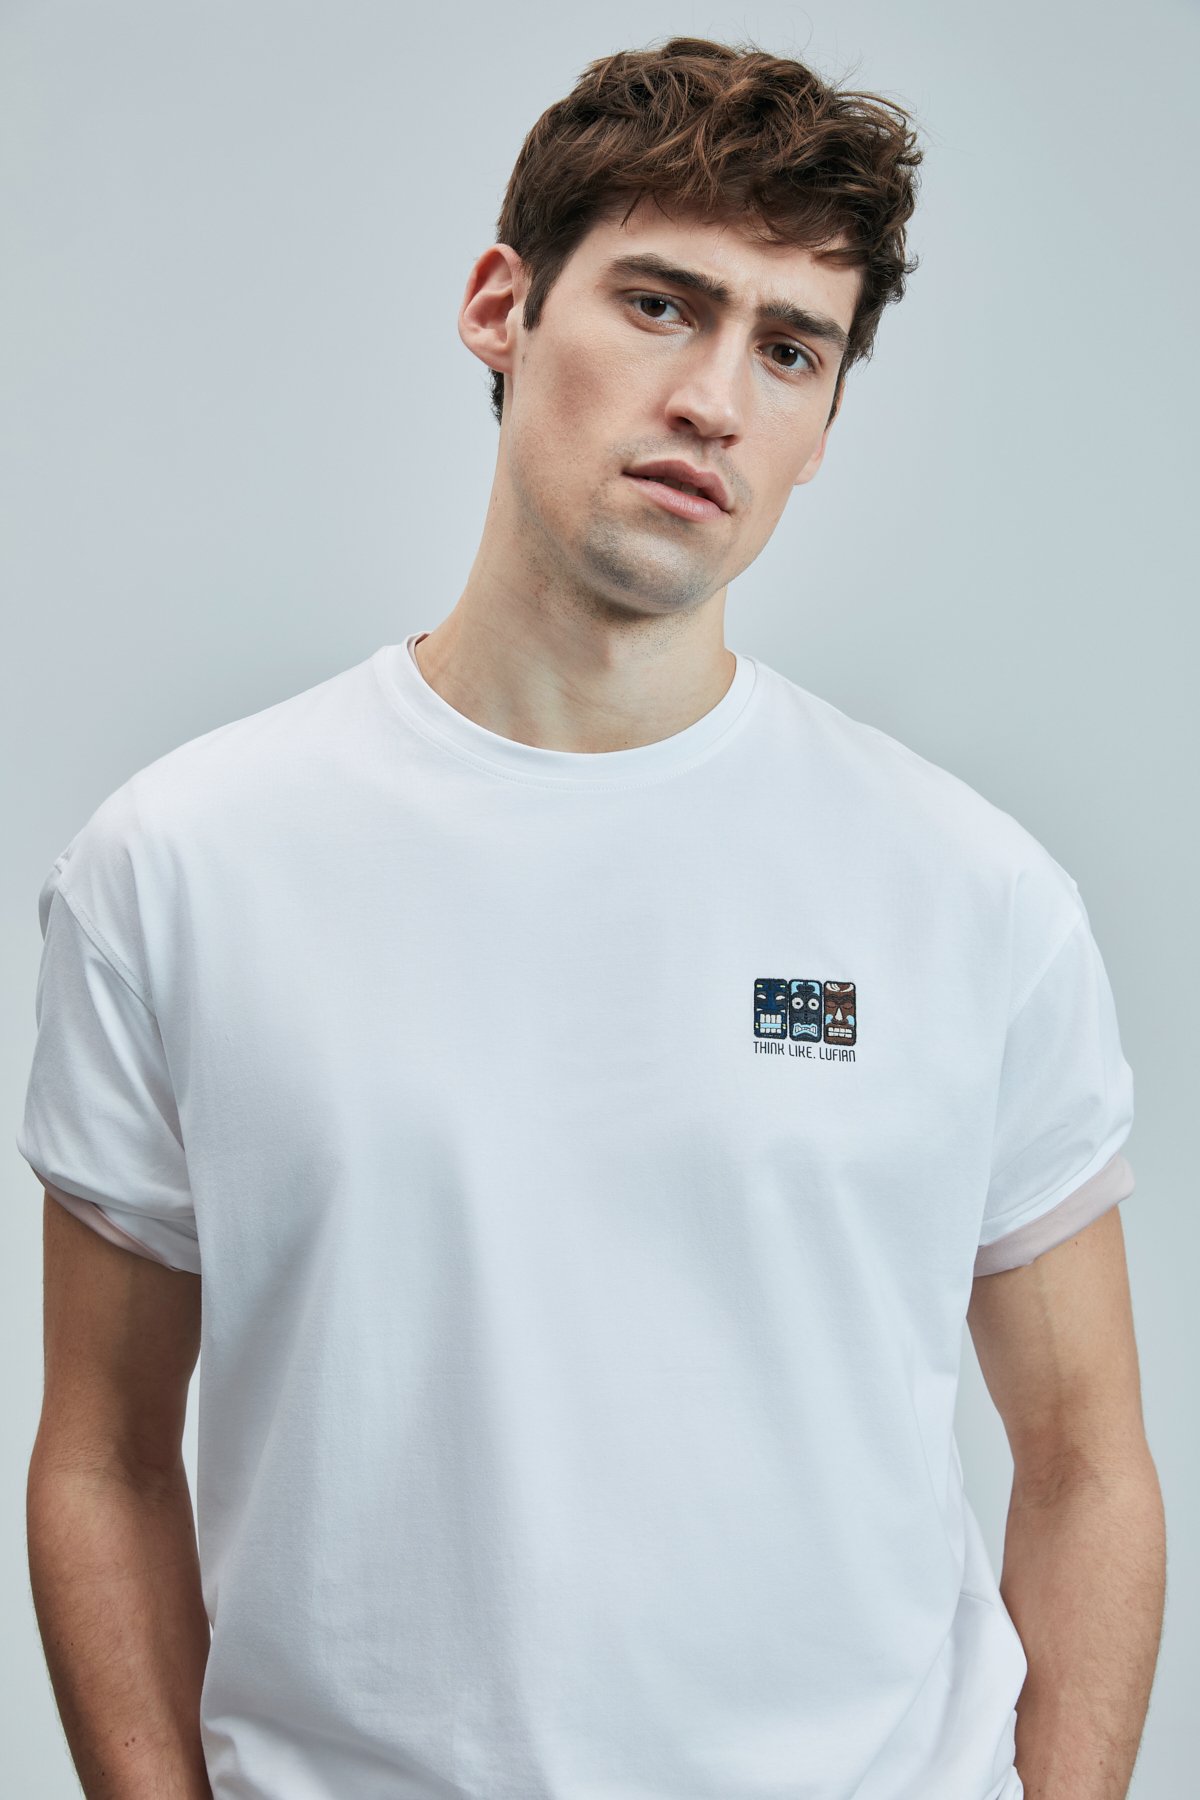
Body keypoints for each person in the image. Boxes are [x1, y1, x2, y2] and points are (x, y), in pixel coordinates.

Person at [17, 34, 1165, 1800]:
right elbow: (100, 1455)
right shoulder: (181, 868)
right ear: (503, 307)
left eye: (790, 349)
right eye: (660, 305)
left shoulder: (974, 896)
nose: (715, 398)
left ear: (823, 425)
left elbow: (1086, 1462)